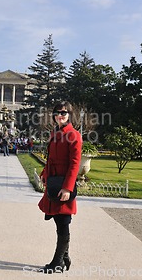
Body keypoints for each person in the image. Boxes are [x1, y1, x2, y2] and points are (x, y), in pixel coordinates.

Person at [38, 101, 82, 273]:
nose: (60, 115)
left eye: (64, 113)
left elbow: (75, 164)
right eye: (57, 113)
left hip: (63, 184)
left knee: (63, 222)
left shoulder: (74, 135)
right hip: (54, 180)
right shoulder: (55, 132)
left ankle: (57, 263)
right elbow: (50, 159)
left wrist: (68, 188)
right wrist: (44, 173)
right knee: (58, 220)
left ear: (70, 115)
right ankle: (64, 257)